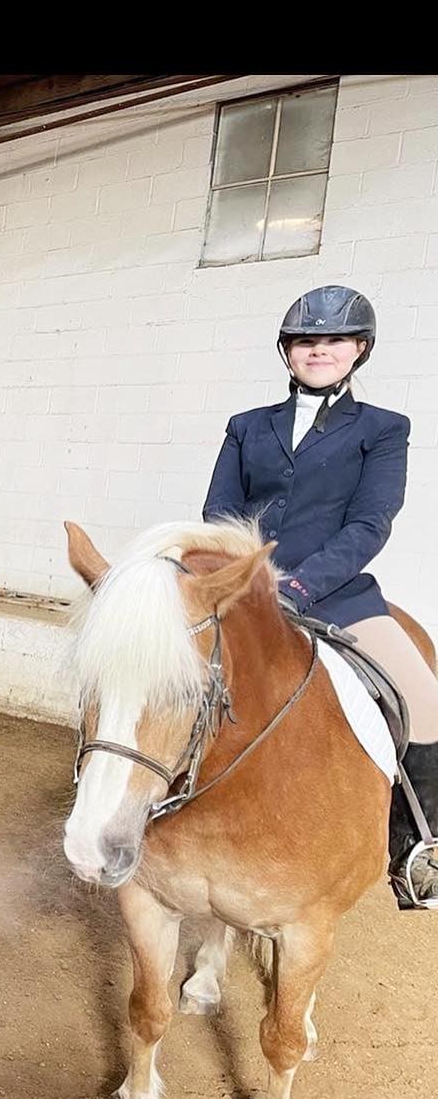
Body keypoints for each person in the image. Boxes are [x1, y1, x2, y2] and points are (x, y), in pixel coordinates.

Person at [203, 285, 438, 910]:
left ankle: (418, 848)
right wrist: (249, 584)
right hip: (246, 593)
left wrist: (301, 586)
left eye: (334, 340)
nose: (319, 350)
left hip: (337, 594)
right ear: (287, 352)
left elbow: (370, 524)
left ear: (358, 349)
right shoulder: (247, 427)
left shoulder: (385, 429)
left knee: (428, 701)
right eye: (306, 340)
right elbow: (219, 514)